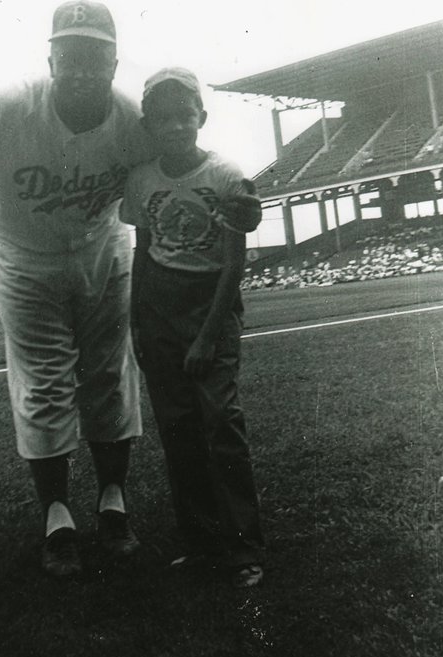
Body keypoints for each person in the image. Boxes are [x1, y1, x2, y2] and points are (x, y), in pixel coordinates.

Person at [0, 4, 263, 578]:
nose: (82, 70)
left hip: (100, 247)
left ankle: (113, 502)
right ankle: (57, 517)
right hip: (25, 254)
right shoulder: (7, 107)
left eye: (95, 58)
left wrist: (239, 203)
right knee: (43, 383)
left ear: (113, 62)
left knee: (110, 374)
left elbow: (187, 161)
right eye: (70, 57)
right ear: (50, 60)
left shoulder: (134, 116)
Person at [120, 68, 265, 588]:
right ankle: (201, 542)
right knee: (177, 425)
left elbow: (233, 266)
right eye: (164, 119)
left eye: (185, 116)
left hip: (211, 302)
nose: (176, 127)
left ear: (200, 117)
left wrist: (207, 335)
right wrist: (138, 321)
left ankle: (243, 547)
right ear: (149, 125)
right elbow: (142, 254)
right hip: (159, 304)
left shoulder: (225, 175)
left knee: (220, 419)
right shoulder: (141, 180)